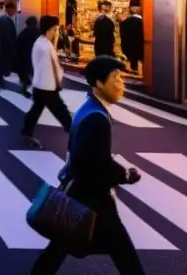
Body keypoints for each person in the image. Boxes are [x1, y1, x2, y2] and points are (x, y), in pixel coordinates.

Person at [31, 56, 145, 274]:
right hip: (93, 197)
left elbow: (91, 156)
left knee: (60, 247)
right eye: (115, 78)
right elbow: (98, 163)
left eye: (121, 77)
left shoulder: (90, 108)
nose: (121, 83)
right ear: (99, 84)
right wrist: (125, 175)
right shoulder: (97, 118)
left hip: (82, 191)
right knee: (122, 252)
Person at [21, 15, 73, 148]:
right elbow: (53, 68)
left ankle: (26, 132)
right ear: (48, 29)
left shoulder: (40, 42)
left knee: (36, 110)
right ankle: (76, 135)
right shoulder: (46, 47)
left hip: (39, 85)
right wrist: (58, 81)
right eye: (54, 29)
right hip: (47, 87)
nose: (56, 33)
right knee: (63, 113)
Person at [0, 0, 19, 95]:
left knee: (1, 69)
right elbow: (8, 37)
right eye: (15, 10)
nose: (15, 12)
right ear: (10, 9)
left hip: (4, 49)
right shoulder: (6, 20)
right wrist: (13, 49)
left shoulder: (3, 19)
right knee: (1, 69)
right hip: (6, 50)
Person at [15, 15, 39, 97]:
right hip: (35, 59)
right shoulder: (38, 33)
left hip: (24, 59)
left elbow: (18, 46)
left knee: (24, 74)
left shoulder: (23, 33)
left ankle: (25, 88)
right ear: (35, 23)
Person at [120, 2, 145, 75]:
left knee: (134, 65)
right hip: (142, 48)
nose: (136, 9)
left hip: (130, 49)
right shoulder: (144, 21)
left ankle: (135, 72)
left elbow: (123, 35)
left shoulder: (125, 22)